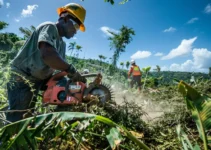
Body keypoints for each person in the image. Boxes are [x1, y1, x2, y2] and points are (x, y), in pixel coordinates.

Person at [6, 3, 86, 122]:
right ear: (64, 18)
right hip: (22, 77)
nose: (75, 31)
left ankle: (61, 114)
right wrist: (70, 69)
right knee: (19, 118)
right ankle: (7, 136)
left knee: (67, 85)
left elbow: (59, 68)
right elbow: (48, 55)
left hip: (40, 79)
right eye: (75, 25)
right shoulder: (49, 27)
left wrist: (75, 82)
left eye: (78, 28)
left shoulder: (62, 45)